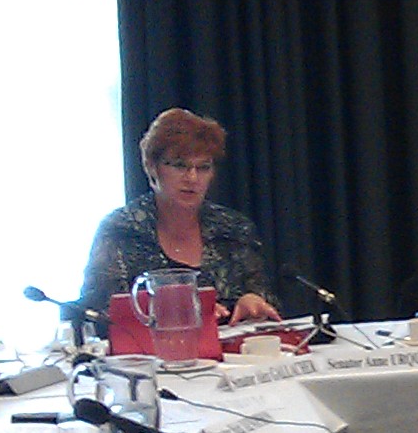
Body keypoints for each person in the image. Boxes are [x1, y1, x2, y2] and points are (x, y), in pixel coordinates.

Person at [79, 108, 282, 325]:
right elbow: (96, 314)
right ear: (152, 167)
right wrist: (176, 310)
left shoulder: (233, 228)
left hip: (233, 356)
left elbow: (264, 297)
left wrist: (253, 300)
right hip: (153, 356)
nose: (192, 178)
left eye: (203, 167)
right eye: (179, 166)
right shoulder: (122, 230)